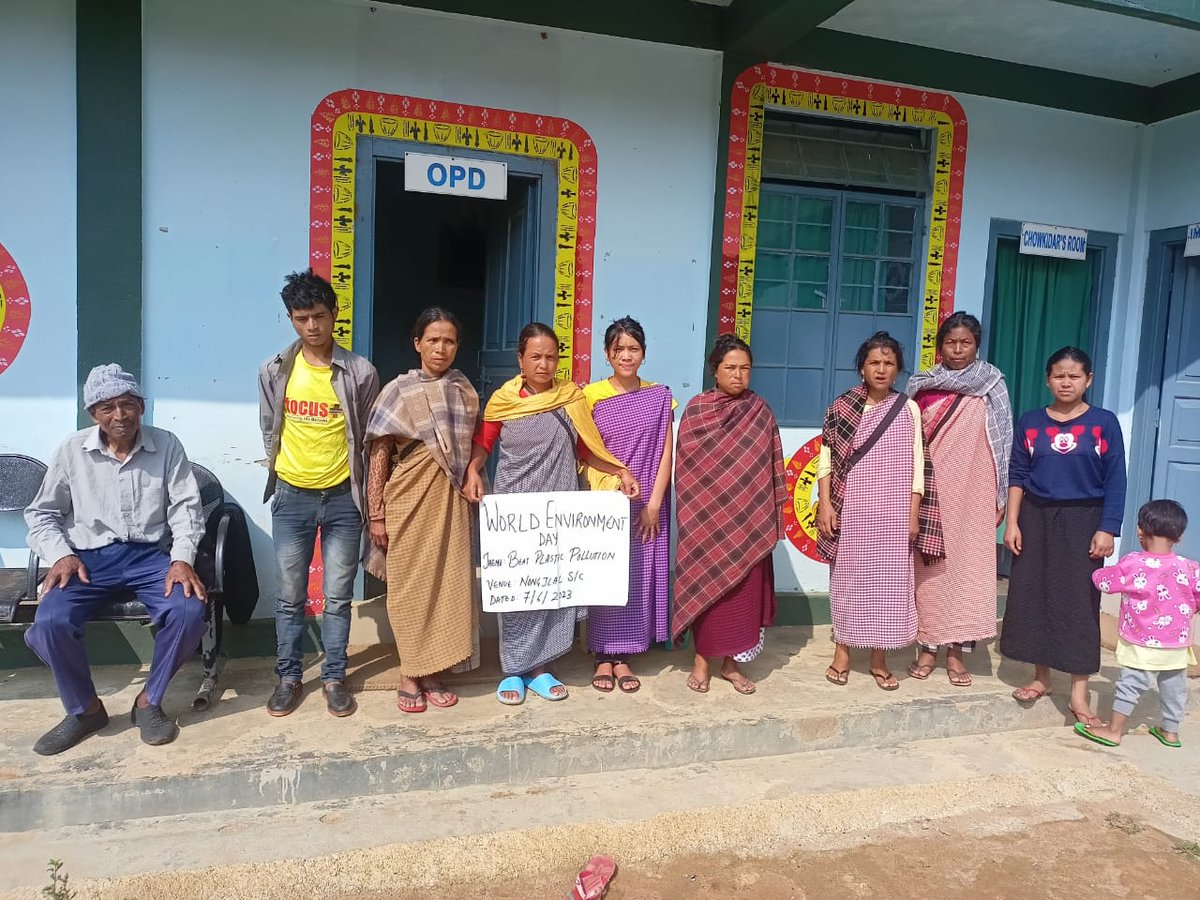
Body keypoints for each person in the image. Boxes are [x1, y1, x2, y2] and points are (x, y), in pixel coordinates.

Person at [23, 364, 208, 754]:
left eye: (127, 404)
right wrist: (60, 555)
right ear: (93, 414)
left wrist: (182, 559)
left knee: (190, 611)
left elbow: (187, 509)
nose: (119, 415)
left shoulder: (167, 444)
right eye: (107, 407)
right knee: (50, 620)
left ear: (141, 406)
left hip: (149, 556)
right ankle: (85, 710)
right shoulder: (72, 450)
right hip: (87, 560)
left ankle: (149, 702)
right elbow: (42, 513)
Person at [464, 322, 639, 705]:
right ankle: (513, 669)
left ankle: (542, 667)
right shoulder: (503, 401)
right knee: (520, 590)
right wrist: (474, 470)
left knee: (554, 586)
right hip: (516, 512)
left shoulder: (569, 398)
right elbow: (484, 443)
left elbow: (587, 449)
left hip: (560, 509)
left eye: (551, 357)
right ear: (520, 359)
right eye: (535, 357)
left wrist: (619, 471)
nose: (544, 364)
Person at [259, 268, 380, 718]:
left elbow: (369, 437)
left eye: (319, 316)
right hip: (291, 497)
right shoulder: (274, 371)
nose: (312, 326)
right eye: (301, 317)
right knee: (290, 595)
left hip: (343, 498)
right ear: (291, 319)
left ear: (334, 315)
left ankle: (334, 677)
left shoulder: (360, 372)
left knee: (337, 595)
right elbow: (269, 427)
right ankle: (289, 677)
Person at [1001, 346, 1126, 726]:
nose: (1066, 382)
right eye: (1059, 375)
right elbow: (1018, 474)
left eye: (1074, 376)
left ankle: (1079, 694)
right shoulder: (1031, 422)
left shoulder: (1103, 423)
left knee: (1078, 602)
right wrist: (1012, 522)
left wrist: (1107, 527)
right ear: (1047, 379)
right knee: (1035, 594)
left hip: (1084, 521)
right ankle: (1041, 678)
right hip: (1036, 518)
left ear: (1088, 380)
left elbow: (1116, 479)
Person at [365, 308, 479, 713]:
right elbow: (379, 452)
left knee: (446, 583)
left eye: (449, 341)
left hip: (450, 502)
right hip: (408, 497)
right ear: (417, 343)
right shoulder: (399, 390)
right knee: (410, 586)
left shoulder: (464, 389)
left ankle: (432, 669)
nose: (441, 348)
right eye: (433, 340)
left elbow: (469, 452)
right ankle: (409, 671)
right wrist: (376, 512)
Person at [817, 331, 944, 691]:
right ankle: (842, 652)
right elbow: (826, 460)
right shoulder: (841, 408)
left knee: (889, 586)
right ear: (861, 368)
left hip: (894, 512)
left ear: (899, 370)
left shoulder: (908, 408)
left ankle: (878, 658)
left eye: (889, 363)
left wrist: (913, 513)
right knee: (848, 581)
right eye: (874, 362)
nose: (881, 369)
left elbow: (918, 465)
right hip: (852, 508)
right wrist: (825, 504)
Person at [672, 334, 786, 696]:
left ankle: (731, 664)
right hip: (707, 522)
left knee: (741, 595)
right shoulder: (697, 410)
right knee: (707, 589)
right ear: (715, 371)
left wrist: (764, 510)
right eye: (730, 368)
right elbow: (687, 470)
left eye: (745, 369)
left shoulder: (760, 410)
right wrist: (702, 512)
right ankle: (702, 661)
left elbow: (770, 466)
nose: (738, 375)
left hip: (749, 522)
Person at [905, 312, 1012, 686]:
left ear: (977, 345)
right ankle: (929, 647)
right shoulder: (922, 385)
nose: (957, 349)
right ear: (939, 346)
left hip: (975, 489)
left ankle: (957, 653)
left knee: (969, 568)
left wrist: (1000, 493)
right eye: (951, 342)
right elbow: (907, 441)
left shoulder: (991, 383)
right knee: (929, 567)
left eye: (965, 342)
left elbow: (1003, 441)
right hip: (933, 490)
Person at [582, 317, 674, 694]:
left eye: (633, 349)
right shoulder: (589, 396)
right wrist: (616, 477)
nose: (626, 355)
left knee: (638, 574)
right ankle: (603, 653)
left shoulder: (660, 396)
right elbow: (585, 449)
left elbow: (667, 451)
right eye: (618, 349)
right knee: (607, 572)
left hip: (648, 502)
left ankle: (625, 655)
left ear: (644, 353)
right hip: (606, 499)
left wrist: (655, 502)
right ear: (607, 354)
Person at [1076, 500, 1197, 749]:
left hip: (1142, 641)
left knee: (1130, 684)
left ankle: (1114, 730)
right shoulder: (1189, 567)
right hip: (1177, 643)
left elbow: (1105, 583)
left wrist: (1096, 572)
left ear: (1140, 531)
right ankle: (1171, 732)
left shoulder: (1133, 563)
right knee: (1175, 687)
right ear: (1180, 536)